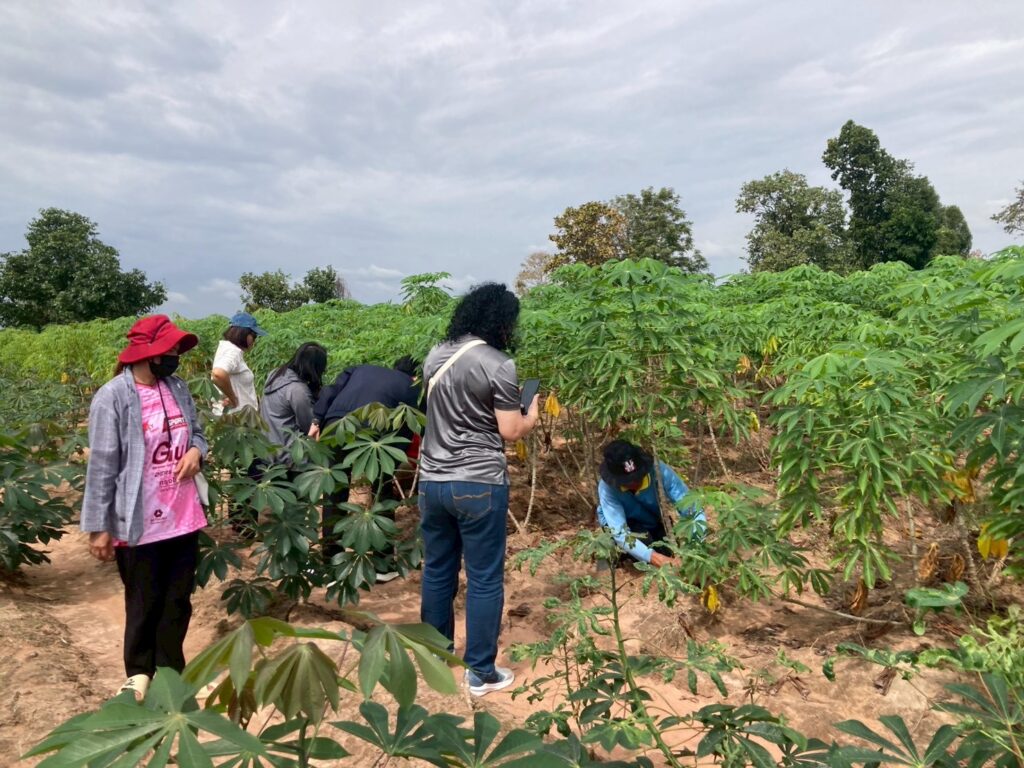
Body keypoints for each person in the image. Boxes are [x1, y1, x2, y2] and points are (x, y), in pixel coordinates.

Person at [418, 283, 539, 697]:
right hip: (478, 482)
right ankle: (480, 672)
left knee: (438, 570)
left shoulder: (435, 355)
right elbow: (511, 430)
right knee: (484, 578)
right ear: (502, 321)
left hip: (432, 481)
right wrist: (531, 413)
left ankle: (436, 658)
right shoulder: (499, 363)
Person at [80, 315, 208, 702]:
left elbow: (197, 431)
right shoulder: (113, 397)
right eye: (170, 351)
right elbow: (103, 464)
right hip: (138, 520)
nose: (175, 358)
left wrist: (196, 451)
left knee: (177, 602)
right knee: (143, 602)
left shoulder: (177, 387)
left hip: (182, 515)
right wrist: (99, 526)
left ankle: (170, 674)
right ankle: (138, 673)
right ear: (147, 354)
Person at [311, 356, 420, 581]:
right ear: (415, 376)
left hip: (336, 425)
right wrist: (392, 460)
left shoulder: (360, 368)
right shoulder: (411, 387)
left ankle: (330, 563)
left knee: (334, 491)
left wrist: (316, 420)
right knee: (381, 494)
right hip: (375, 434)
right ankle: (383, 565)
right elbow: (409, 426)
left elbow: (330, 391)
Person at [596, 439, 706, 568]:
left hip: (652, 519)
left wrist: (696, 546)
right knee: (645, 555)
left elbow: (691, 507)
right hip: (626, 525)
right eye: (628, 481)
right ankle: (610, 555)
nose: (634, 483)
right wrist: (656, 558)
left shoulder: (659, 471)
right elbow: (620, 533)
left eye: (638, 477)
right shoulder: (607, 489)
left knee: (668, 550)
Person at [260, 342, 328, 465]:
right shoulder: (297, 390)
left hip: (267, 450)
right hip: (290, 455)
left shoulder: (276, 374)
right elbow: (310, 426)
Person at [211, 311, 267, 416]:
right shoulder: (233, 351)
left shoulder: (227, 348)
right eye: (254, 336)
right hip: (236, 418)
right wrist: (232, 398)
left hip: (236, 417)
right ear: (244, 334)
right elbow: (218, 374)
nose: (254, 341)